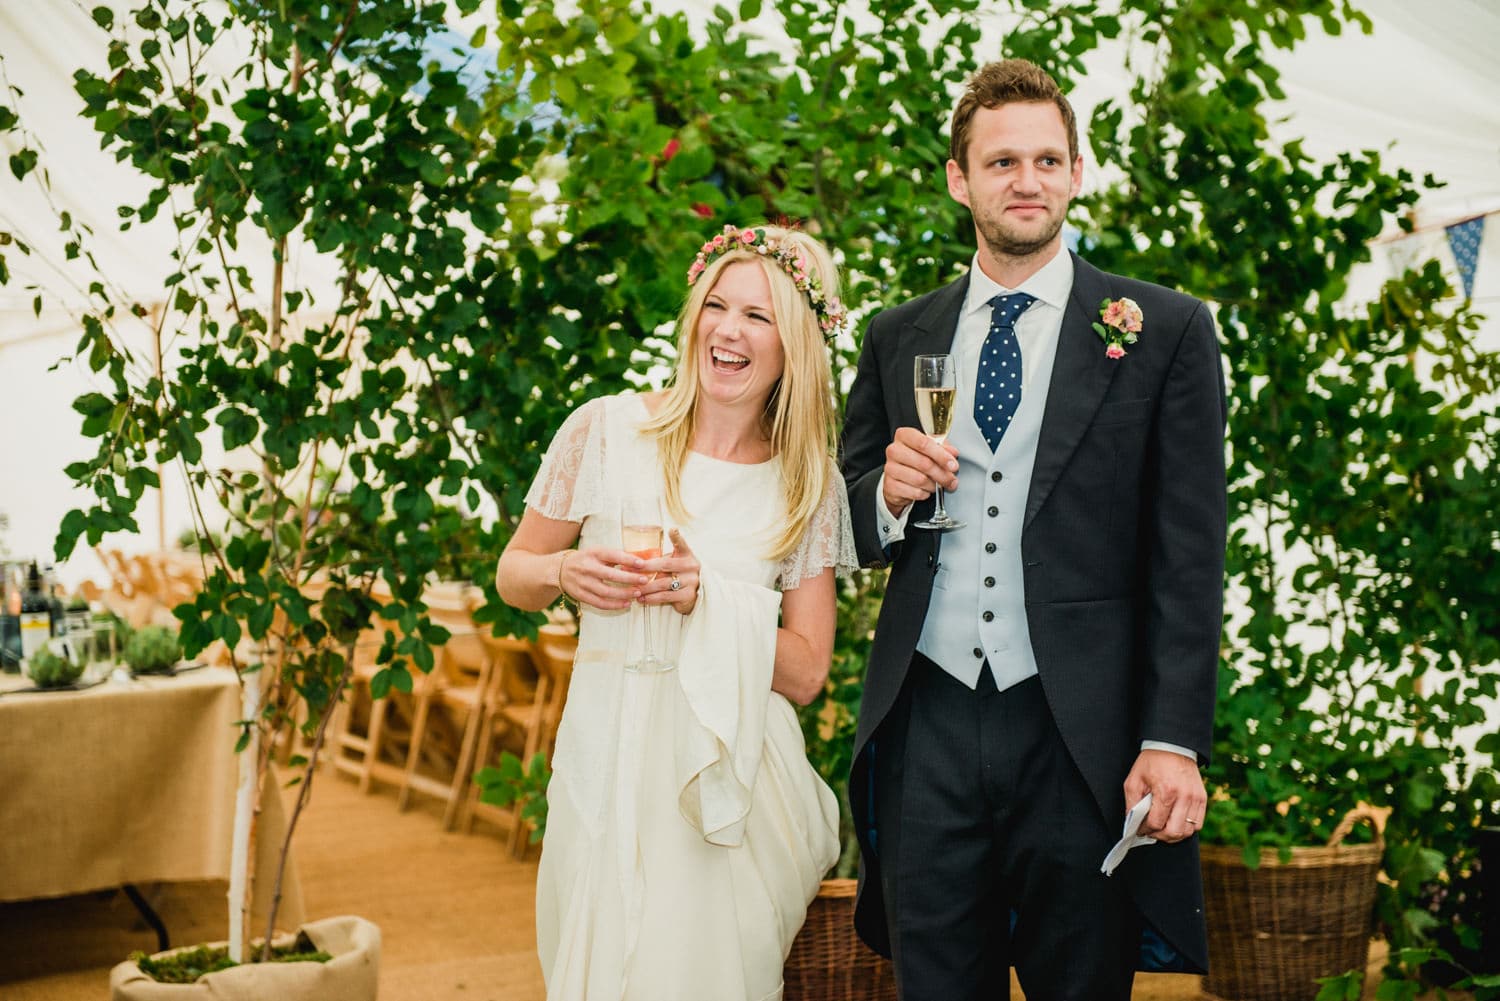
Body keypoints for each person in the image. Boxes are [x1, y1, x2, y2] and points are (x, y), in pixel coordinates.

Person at [840, 59, 1227, 999]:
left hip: (1080, 735)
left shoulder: (1163, 330)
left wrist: (1172, 736)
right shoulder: (899, 335)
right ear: (958, 178)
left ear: (1076, 174)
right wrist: (885, 497)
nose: (1027, 180)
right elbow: (842, 516)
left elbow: (1191, 554)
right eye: (1003, 160)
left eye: (1048, 160)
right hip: (927, 717)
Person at [497, 223, 857, 1001]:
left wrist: (712, 599)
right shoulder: (606, 430)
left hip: (732, 791)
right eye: (717, 306)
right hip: (609, 755)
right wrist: (563, 569)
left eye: (758, 316)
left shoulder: (809, 484)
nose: (728, 329)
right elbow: (513, 574)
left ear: (795, 342)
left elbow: (807, 670)